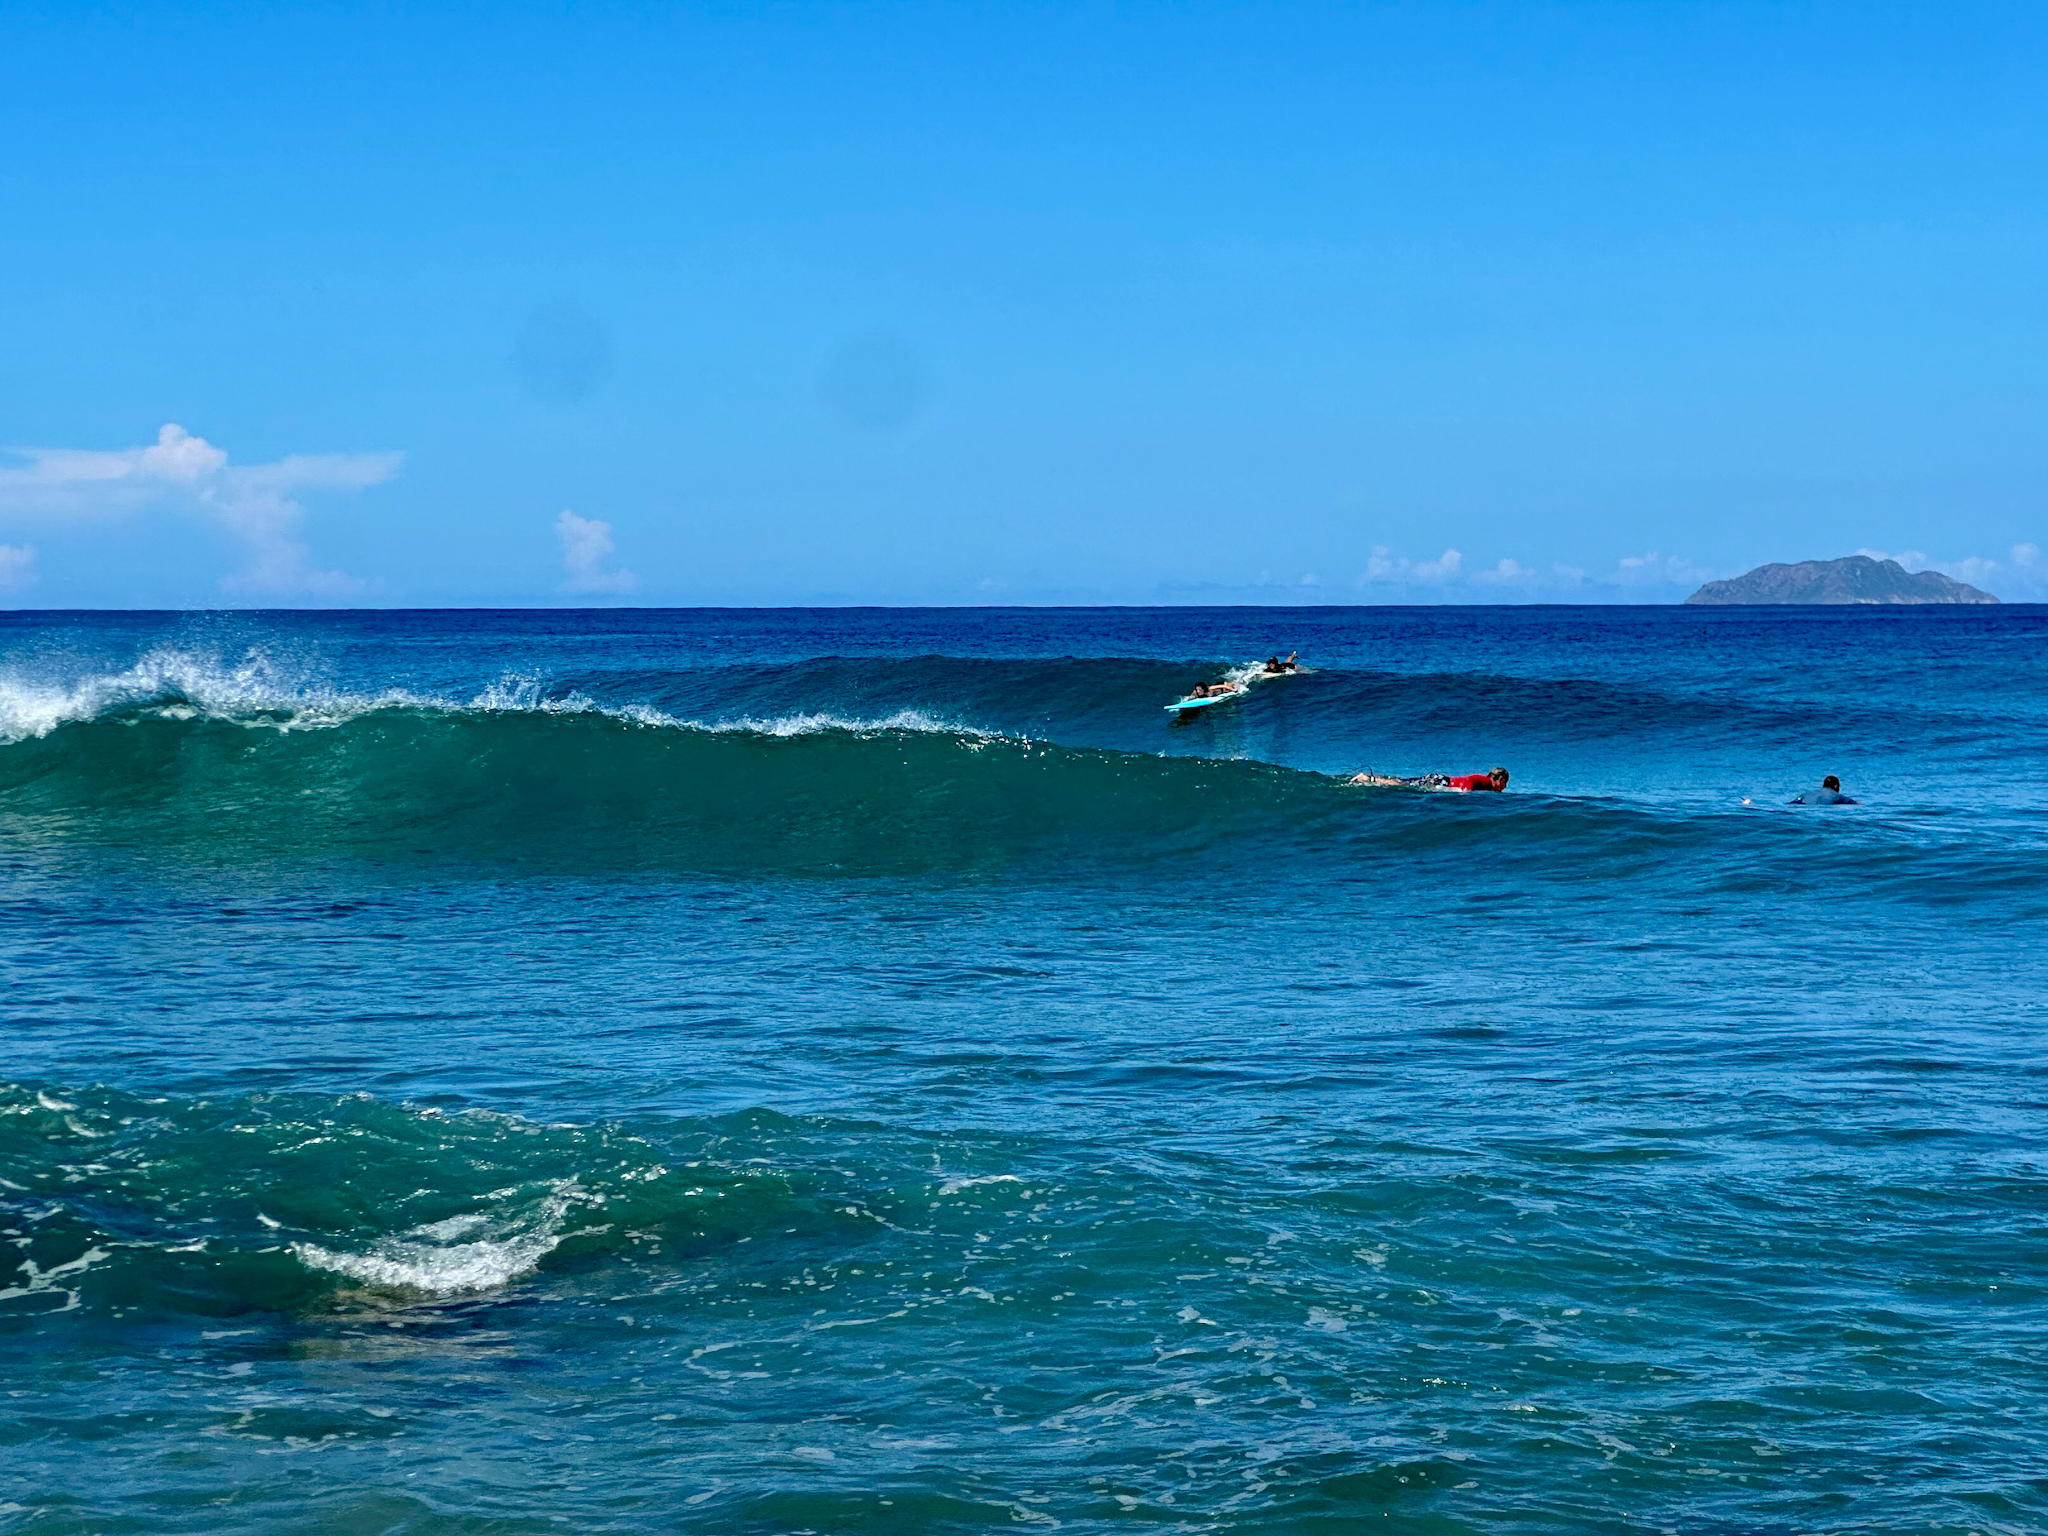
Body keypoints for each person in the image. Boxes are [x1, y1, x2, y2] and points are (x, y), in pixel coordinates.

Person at [1350, 766, 1509, 792]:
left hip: (1439, 780)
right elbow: (1471, 780)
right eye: (1505, 784)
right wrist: (1464, 792)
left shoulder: (1487, 786)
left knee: (1403, 783)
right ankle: (1367, 778)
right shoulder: (1487, 782)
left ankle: (1370, 779)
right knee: (1404, 785)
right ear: (1500, 780)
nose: (1504, 788)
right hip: (1441, 782)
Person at [1792, 774, 1857, 806]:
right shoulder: (1837, 796)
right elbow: (1856, 804)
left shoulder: (1807, 793)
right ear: (1836, 786)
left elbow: (1794, 802)